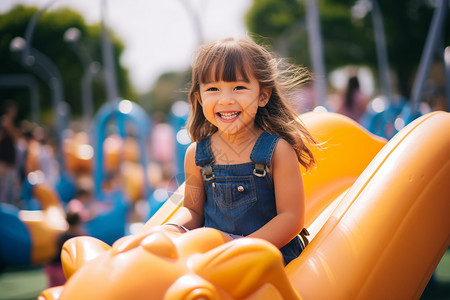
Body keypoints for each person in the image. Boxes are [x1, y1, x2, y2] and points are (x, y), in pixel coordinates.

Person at [161, 37, 318, 265]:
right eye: (213, 89)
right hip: (216, 255)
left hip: (267, 255)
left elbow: (291, 218)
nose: (225, 100)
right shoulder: (197, 154)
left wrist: (241, 251)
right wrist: (173, 228)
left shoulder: (276, 151)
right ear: (199, 98)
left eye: (239, 88)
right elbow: (193, 210)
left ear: (263, 95)